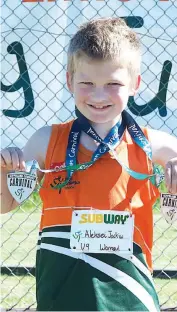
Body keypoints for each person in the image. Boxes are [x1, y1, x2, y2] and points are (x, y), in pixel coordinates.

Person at [1, 17, 177, 312]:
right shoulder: (46, 141)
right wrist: (4, 169)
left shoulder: (156, 145)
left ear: (135, 84)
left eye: (113, 84)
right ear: (70, 81)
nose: (98, 95)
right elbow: (5, 204)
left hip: (129, 298)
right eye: (87, 83)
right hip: (60, 298)